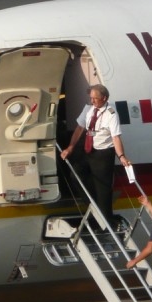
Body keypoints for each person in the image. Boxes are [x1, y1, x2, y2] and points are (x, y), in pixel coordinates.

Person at [60, 84, 130, 225]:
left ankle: (106, 221)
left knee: (103, 188)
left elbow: (116, 137)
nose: (92, 101)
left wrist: (122, 156)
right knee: (76, 175)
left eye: (95, 99)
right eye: (91, 98)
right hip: (88, 150)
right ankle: (94, 205)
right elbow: (80, 129)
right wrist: (70, 147)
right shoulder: (89, 109)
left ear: (104, 98)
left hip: (103, 153)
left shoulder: (111, 114)